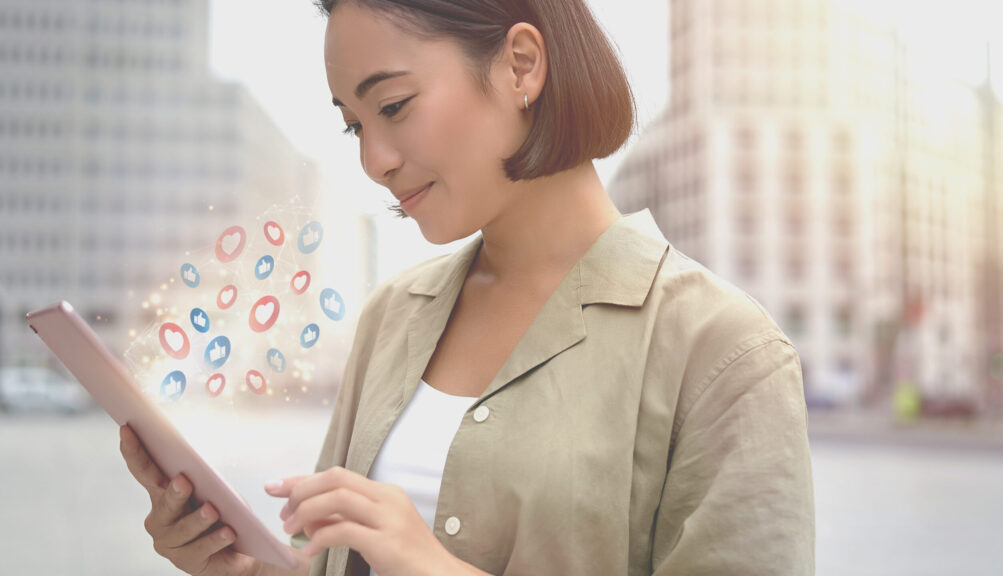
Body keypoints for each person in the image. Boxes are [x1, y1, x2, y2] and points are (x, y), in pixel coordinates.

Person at [118, 1, 816, 575]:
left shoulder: (724, 352)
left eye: (393, 105)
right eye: (353, 125)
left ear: (521, 65)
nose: (374, 160)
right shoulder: (393, 316)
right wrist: (237, 561)